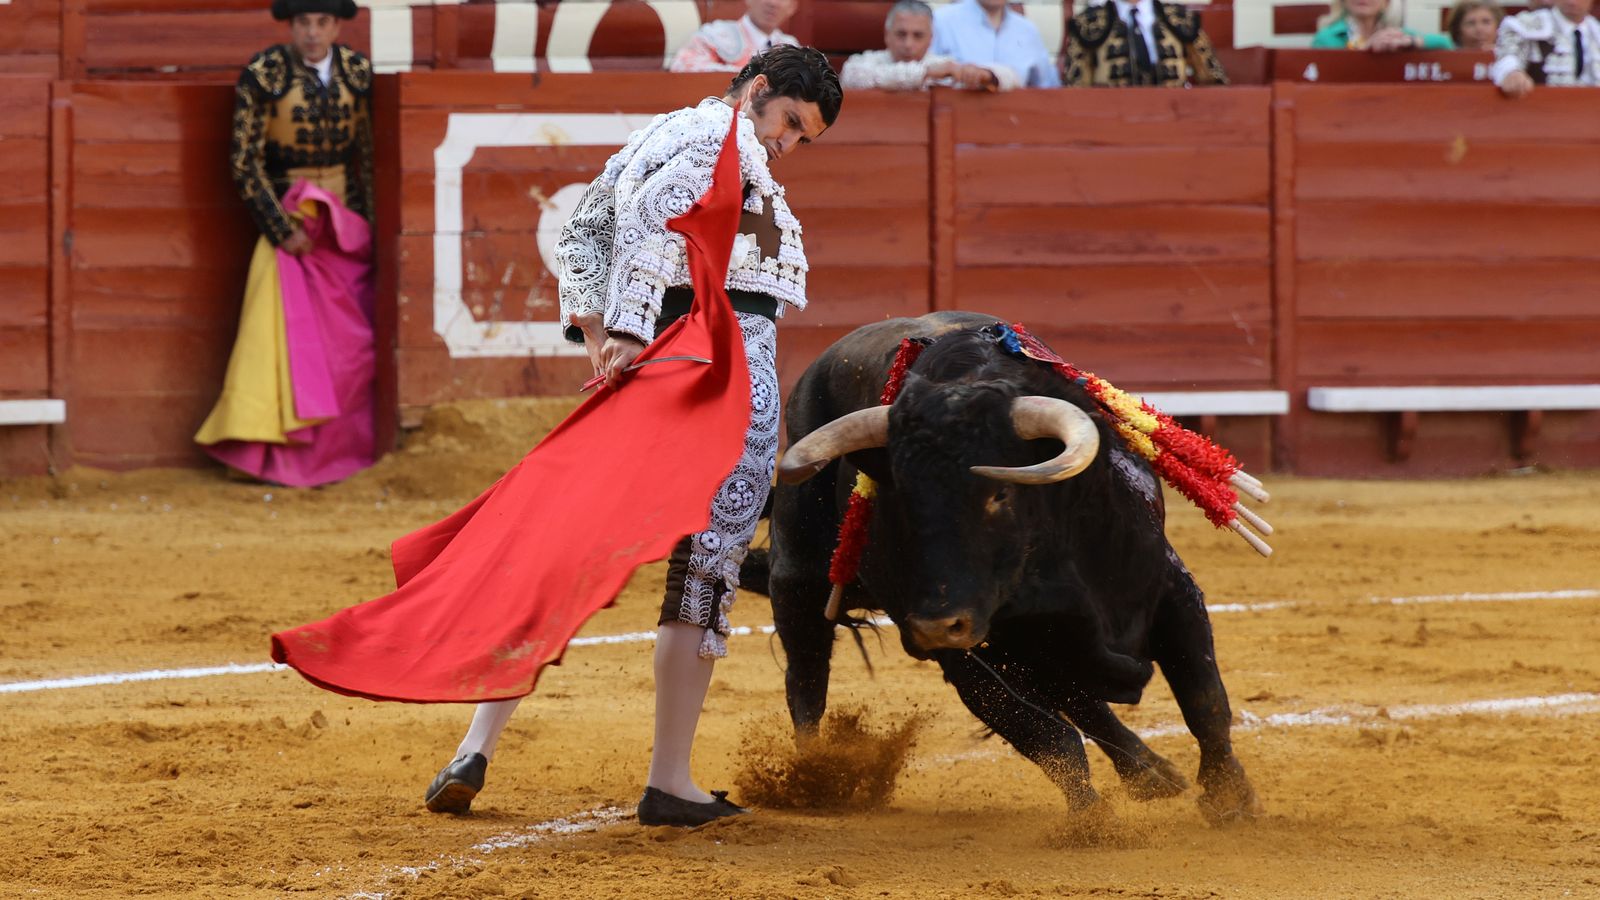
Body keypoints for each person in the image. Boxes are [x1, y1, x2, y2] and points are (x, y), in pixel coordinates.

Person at [418, 46, 843, 827]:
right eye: (789, 122)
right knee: (707, 562)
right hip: (716, 370)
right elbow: (651, 225)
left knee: (567, 546)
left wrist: (601, 334)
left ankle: (476, 746)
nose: (788, 144)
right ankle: (670, 780)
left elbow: (586, 231)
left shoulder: (675, 133)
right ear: (757, 91)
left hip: (667, 360)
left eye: (803, 138)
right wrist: (622, 327)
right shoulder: (720, 140)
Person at [194, 0, 378, 487]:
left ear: (337, 26)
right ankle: (275, 460)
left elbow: (370, 157)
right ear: (291, 26)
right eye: (303, 23)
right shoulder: (264, 73)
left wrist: (368, 230)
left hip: (341, 227)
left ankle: (341, 453)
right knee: (282, 344)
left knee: (348, 349)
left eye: (321, 23)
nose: (312, 33)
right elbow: (244, 162)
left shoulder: (359, 73)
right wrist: (281, 229)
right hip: (291, 222)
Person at [842, 0, 1020, 91]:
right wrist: (925, 72)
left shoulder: (944, 66)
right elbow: (851, 76)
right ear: (887, 35)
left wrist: (984, 74)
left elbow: (1011, 76)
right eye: (901, 34)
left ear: (931, 38)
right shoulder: (868, 62)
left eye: (918, 35)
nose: (908, 44)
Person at [1064, 0, 1229, 86]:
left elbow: (1214, 81)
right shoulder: (1087, 24)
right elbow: (1076, 90)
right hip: (1112, 129)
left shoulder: (1181, 19)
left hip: (1173, 127)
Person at [929, 0, 1061, 88]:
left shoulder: (1027, 30)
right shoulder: (941, 21)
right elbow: (923, 74)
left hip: (1016, 124)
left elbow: (1048, 88)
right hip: (956, 124)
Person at [1493, 0, 1600, 96]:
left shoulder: (1596, 30)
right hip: (1538, 110)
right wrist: (1511, 72)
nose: (1572, 2)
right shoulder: (1528, 24)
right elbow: (1507, 54)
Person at [670, 0, 800, 72]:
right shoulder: (716, 34)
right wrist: (745, 75)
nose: (773, 3)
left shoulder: (792, 47)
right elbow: (681, 65)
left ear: (793, 7)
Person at [1311, 0, 1455, 50]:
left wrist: (1412, 42)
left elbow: (1447, 45)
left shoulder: (1393, 34)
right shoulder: (1326, 38)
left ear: (1385, 3)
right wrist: (1366, 53)